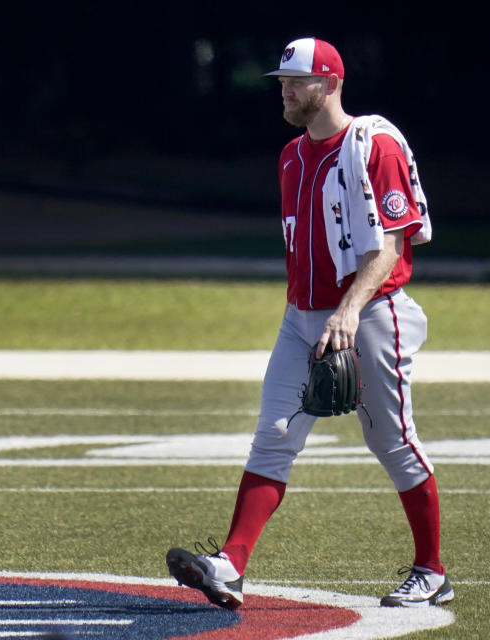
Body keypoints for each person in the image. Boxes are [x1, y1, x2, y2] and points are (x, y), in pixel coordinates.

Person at [166, 36, 452, 610]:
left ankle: (432, 571)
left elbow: (391, 245)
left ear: (331, 83)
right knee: (273, 436)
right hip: (302, 318)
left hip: (369, 311)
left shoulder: (375, 144)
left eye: (296, 81)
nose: (286, 91)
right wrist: (305, 315)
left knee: (391, 440)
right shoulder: (291, 156)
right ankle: (230, 565)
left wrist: (347, 312)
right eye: (282, 82)